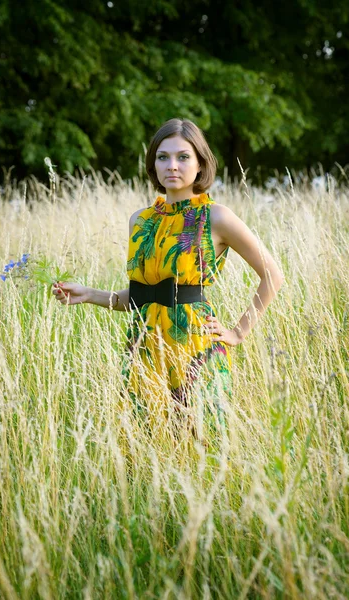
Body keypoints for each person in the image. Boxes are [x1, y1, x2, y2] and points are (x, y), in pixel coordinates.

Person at [52, 118, 284, 444]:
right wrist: (89, 294)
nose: (171, 166)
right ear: (153, 164)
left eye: (183, 157)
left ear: (201, 164)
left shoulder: (215, 217)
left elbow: (273, 275)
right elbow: (143, 296)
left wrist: (237, 332)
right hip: (143, 346)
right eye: (162, 157)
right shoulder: (141, 221)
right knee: (146, 450)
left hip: (195, 347)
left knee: (198, 448)